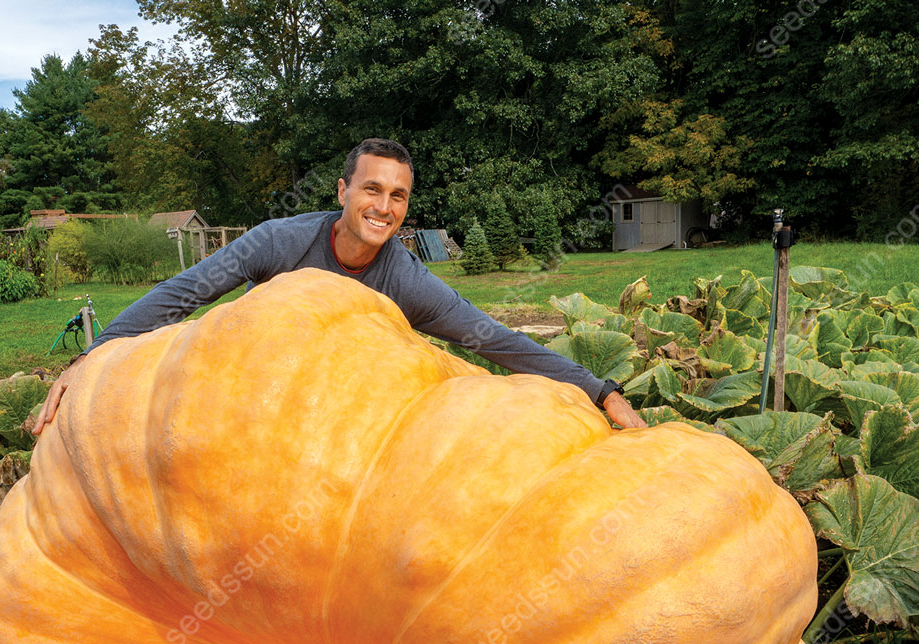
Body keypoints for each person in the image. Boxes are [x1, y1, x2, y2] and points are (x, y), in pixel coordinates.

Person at [33, 138, 646, 434]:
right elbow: (186, 291)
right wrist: (95, 356)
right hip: (254, 397)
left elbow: (489, 338)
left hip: (337, 419)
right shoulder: (280, 241)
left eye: (398, 195)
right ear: (343, 192)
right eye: (372, 189)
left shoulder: (403, 278)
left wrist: (601, 391)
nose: (383, 205)